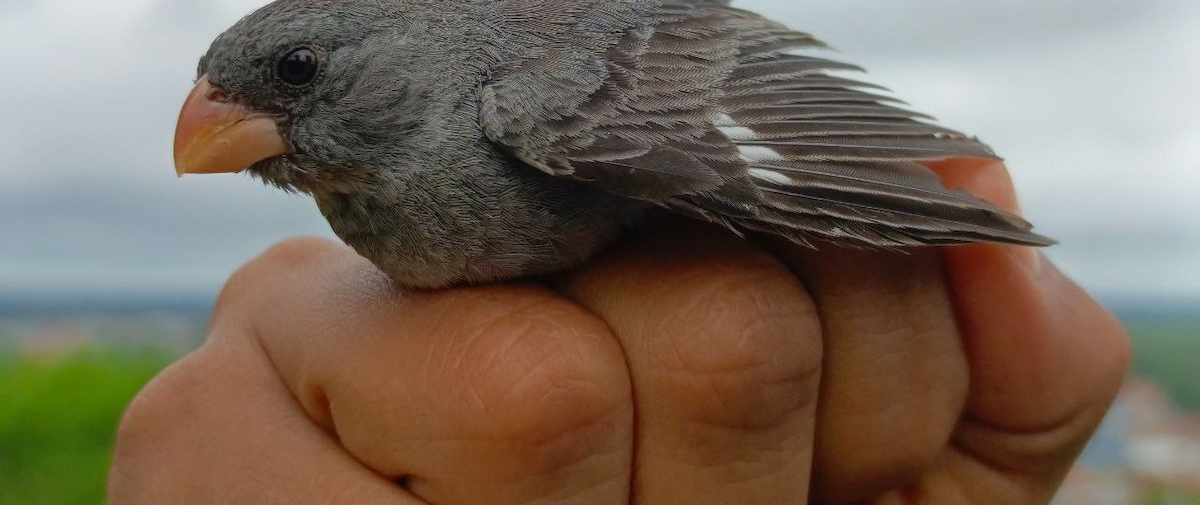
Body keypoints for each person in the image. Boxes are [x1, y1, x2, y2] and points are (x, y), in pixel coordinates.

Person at [108, 159, 1129, 503]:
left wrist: (897, 192)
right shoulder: (360, 198)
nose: (209, 120)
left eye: (296, 72)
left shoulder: (513, 93)